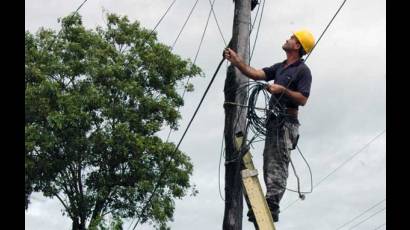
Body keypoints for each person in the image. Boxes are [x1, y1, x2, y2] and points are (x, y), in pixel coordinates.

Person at [223, 29, 315, 223]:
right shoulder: (281, 67)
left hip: (287, 123)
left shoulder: (303, 71)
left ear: (297, 46)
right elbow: (256, 74)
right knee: (268, 161)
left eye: (291, 38)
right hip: (274, 121)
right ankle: (268, 202)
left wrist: (282, 90)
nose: (287, 39)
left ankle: (272, 205)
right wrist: (236, 60)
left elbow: (303, 99)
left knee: (277, 163)